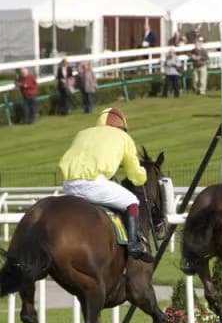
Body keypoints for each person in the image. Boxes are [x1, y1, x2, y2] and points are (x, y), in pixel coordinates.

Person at [58, 107, 153, 262]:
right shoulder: (123, 137)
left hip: (68, 185)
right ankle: (134, 244)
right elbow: (134, 173)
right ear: (122, 127)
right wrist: (141, 178)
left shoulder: (82, 133)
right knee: (132, 201)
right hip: (94, 184)